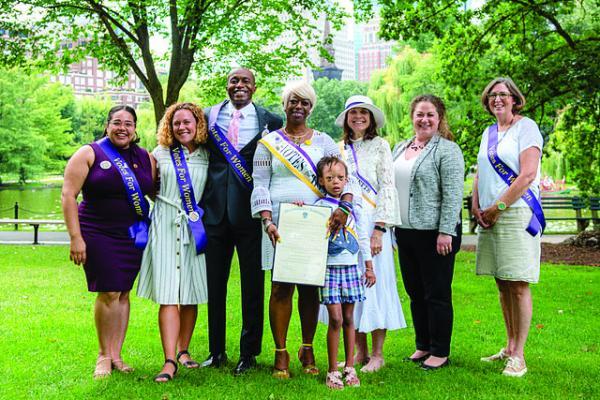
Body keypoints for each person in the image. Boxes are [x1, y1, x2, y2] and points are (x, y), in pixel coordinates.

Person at [251, 81, 352, 379]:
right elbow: (259, 183)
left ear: (311, 107)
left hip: (317, 223)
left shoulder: (324, 142)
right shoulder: (267, 143)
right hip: (278, 224)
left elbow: (346, 179)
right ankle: (280, 353)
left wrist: (343, 209)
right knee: (280, 286)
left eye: (304, 102)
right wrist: (267, 220)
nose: (298, 106)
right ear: (284, 104)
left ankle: (307, 348)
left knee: (309, 286)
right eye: (293, 101)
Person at [61, 105, 154, 379]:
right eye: (116, 122)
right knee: (109, 291)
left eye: (128, 123)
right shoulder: (89, 152)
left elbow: (155, 191)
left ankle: (116, 354)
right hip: (97, 232)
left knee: (123, 292)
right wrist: (76, 238)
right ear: (107, 125)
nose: (122, 128)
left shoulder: (145, 157)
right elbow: (68, 196)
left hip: (132, 235)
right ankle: (103, 354)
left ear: (135, 128)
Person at [201, 68, 283, 375]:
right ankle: (216, 350)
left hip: (251, 214)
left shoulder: (271, 121)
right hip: (214, 213)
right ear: (227, 85)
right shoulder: (208, 117)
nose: (239, 86)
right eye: (234, 81)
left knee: (252, 286)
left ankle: (249, 353)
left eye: (244, 81)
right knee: (215, 286)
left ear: (254, 87)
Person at [473, 77, 545, 378]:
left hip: (515, 214)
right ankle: (509, 346)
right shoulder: (488, 133)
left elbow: (527, 175)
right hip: (489, 215)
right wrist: (476, 206)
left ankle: (520, 356)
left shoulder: (526, 127)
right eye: (492, 95)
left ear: (515, 98)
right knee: (502, 282)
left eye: (503, 94)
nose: (497, 99)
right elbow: (480, 174)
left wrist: (497, 207)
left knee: (517, 283)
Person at [137, 103, 209, 382]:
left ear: (198, 124)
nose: (182, 127)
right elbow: (148, 187)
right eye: (176, 123)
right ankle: (169, 361)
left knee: (190, 292)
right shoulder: (158, 154)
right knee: (168, 293)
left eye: (187, 122)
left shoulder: (207, 156)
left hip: (194, 229)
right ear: (169, 126)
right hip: (165, 227)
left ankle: (184, 351)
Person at [392, 94, 464, 370]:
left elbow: (454, 194)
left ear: (439, 118)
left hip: (436, 234)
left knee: (437, 293)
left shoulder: (447, 150)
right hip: (405, 232)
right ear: (412, 116)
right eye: (419, 114)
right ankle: (422, 345)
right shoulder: (399, 147)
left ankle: (440, 350)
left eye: (430, 115)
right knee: (415, 291)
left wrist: (446, 230)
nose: (424, 119)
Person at [335, 95, 406, 372]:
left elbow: (388, 187)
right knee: (352, 287)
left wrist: (379, 229)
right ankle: (357, 351)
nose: (359, 117)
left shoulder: (380, 146)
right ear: (346, 118)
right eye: (354, 113)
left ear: (372, 118)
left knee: (376, 285)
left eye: (364, 113)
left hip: (374, 223)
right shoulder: (338, 147)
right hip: (347, 226)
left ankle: (377, 354)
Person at [312, 156, 376, 389]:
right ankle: (332, 370)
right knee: (336, 319)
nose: (335, 182)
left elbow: (362, 238)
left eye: (340, 178)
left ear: (346, 180)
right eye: (329, 178)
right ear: (321, 180)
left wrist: (368, 266)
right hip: (329, 269)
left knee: (349, 318)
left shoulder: (353, 208)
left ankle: (349, 367)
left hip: (351, 268)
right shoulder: (319, 206)